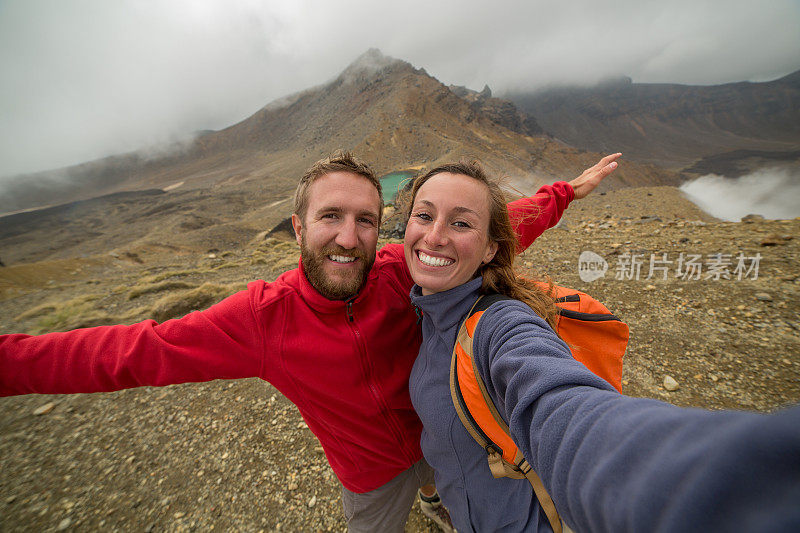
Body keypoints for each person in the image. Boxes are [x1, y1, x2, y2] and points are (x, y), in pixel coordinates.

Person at [0, 151, 621, 532]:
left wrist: (565, 192)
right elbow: (138, 351)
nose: (348, 238)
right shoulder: (259, 320)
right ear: (299, 227)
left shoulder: (401, 270)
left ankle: (435, 500)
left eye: (365, 221)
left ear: (383, 230)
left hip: (437, 433)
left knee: (440, 479)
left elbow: (491, 228)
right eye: (330, 217)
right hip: (368, 475)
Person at [402, 160, 800, 532]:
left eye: (461, 223)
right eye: (424, 215)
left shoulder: (500, 327)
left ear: (491, 248)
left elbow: (567, 413)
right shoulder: (427, 308)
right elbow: (522, 216)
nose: (434, 236)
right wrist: (563, 193)